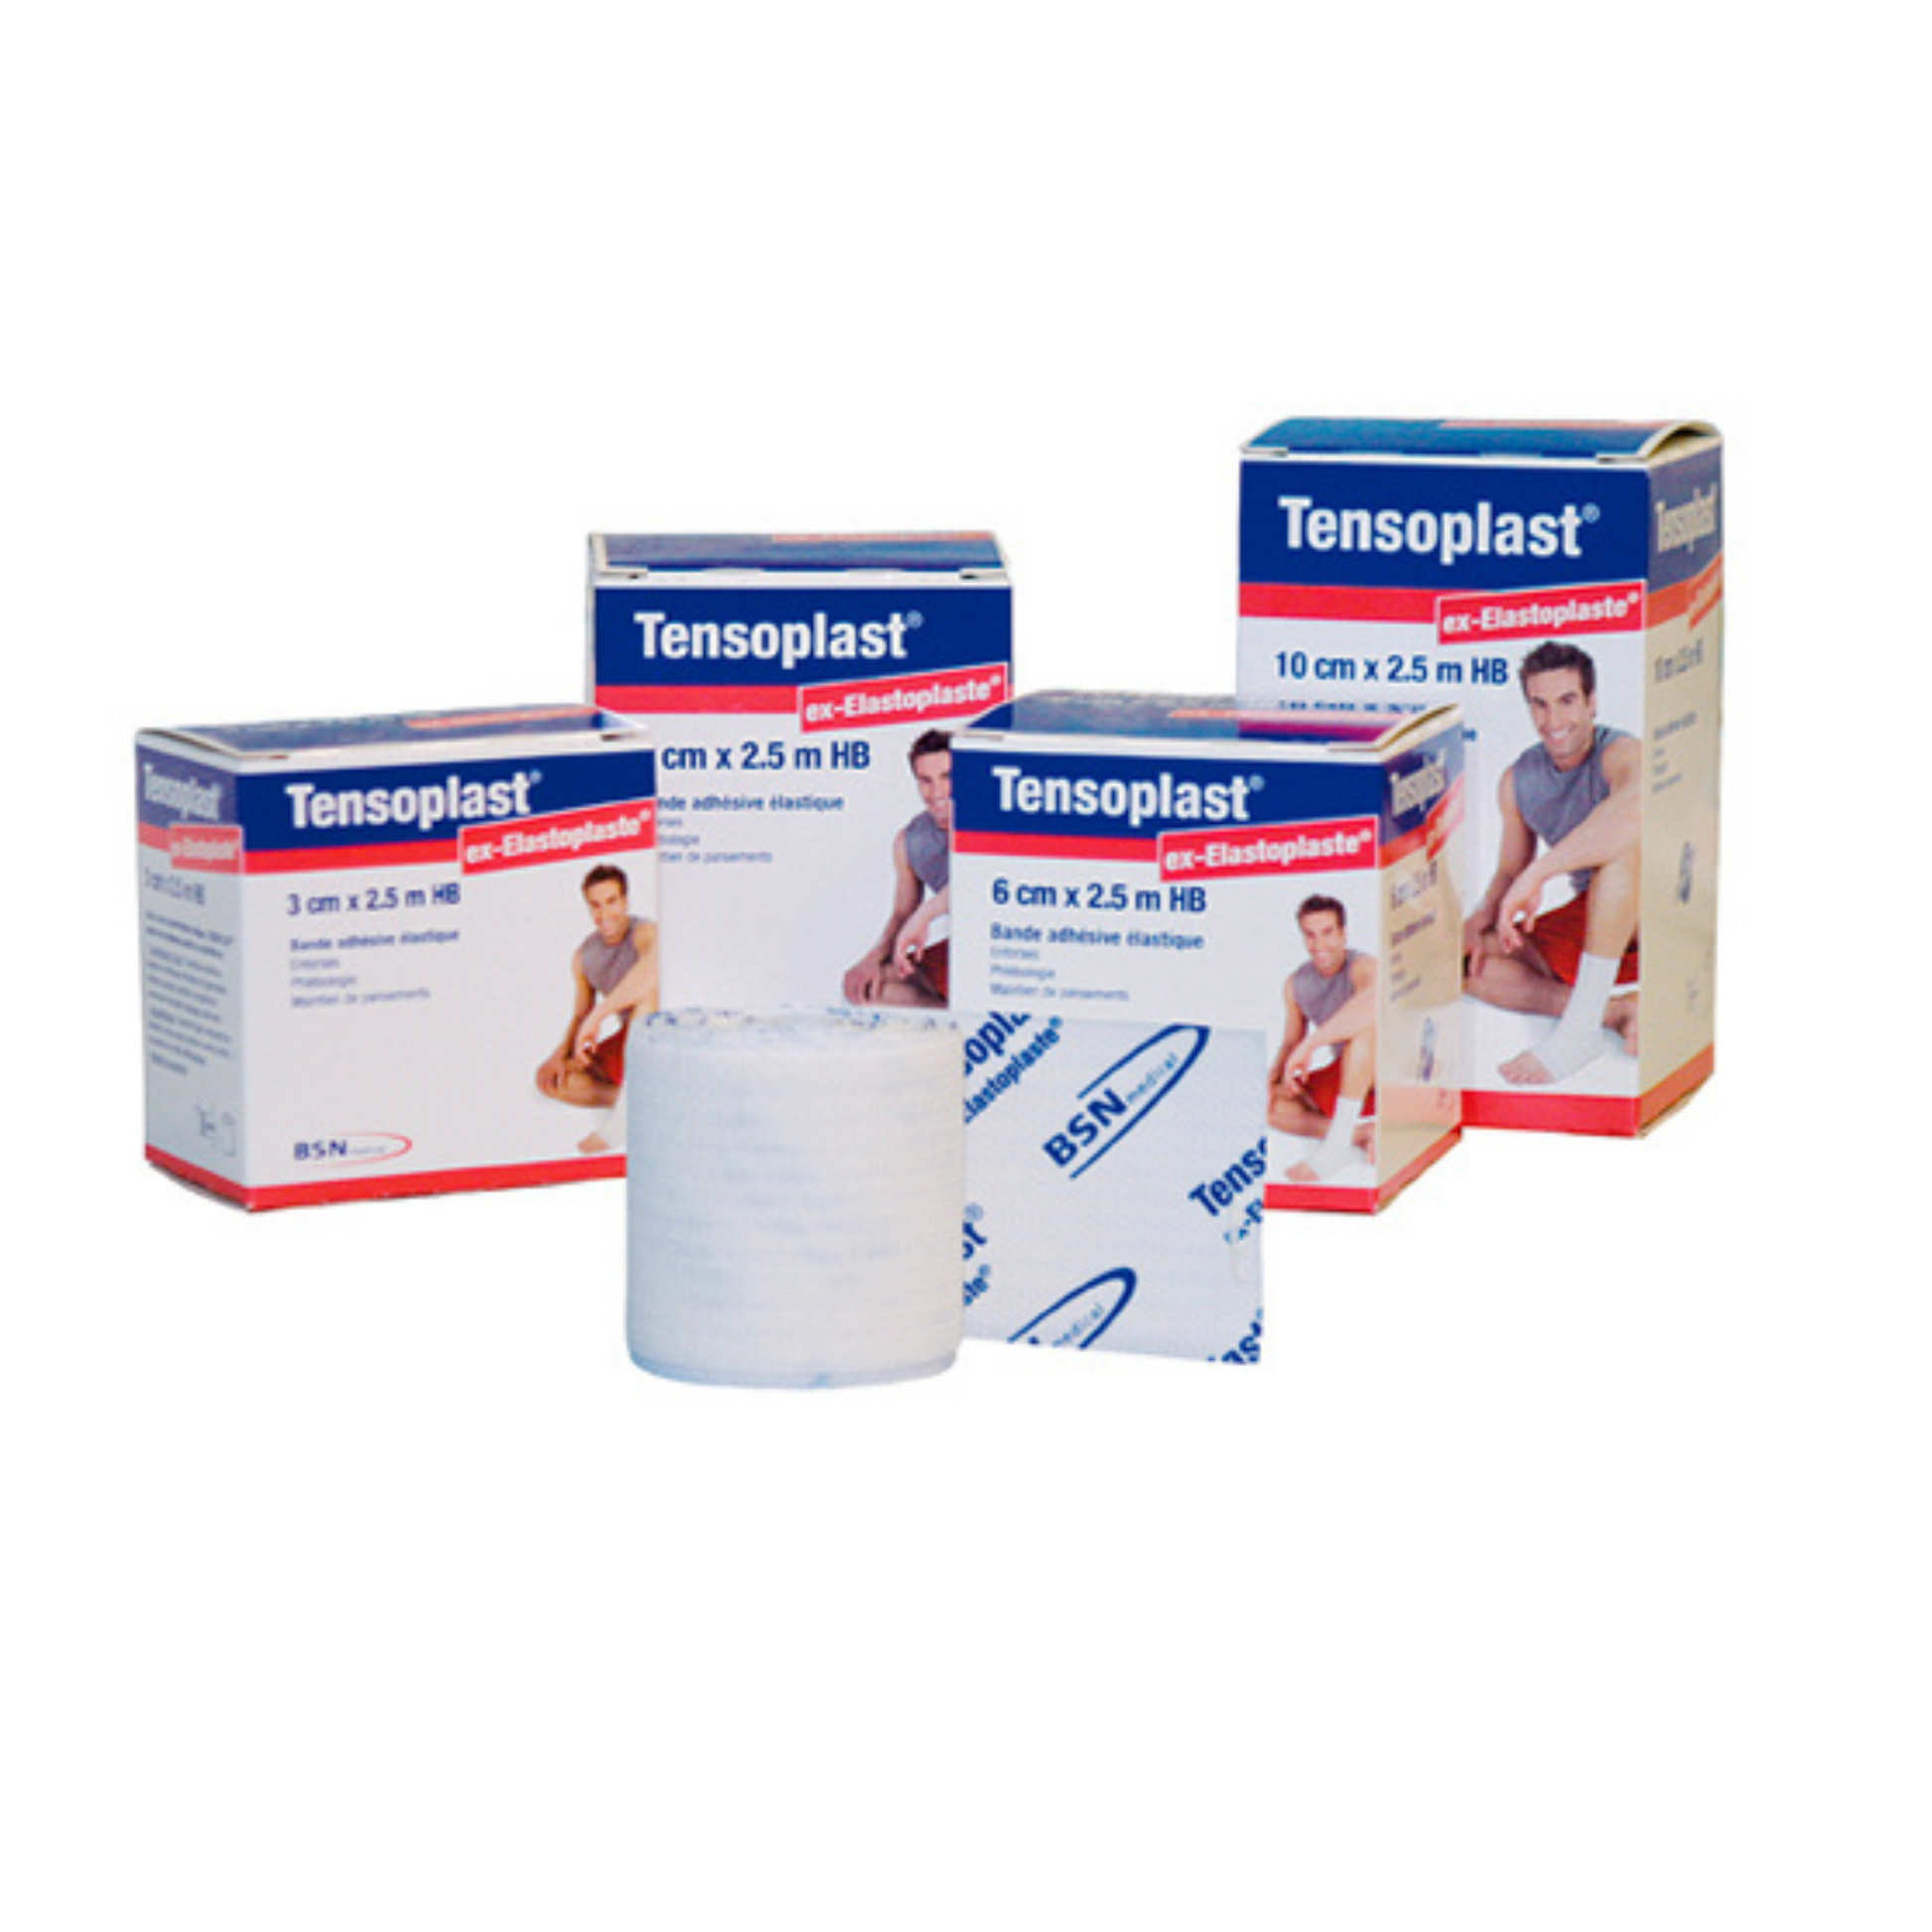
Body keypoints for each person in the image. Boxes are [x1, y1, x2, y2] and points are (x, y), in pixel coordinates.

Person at [1463, 641, 1640, 1085]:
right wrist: (1479, 920)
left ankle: (1577, 1031)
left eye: (1566, 700)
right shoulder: (1517, 779)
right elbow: (1510, 870)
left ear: (1592, 701)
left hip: (1650, 909)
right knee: (1468, 965)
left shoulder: (1622, 752)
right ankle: (1611, 1012)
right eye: (1539, 704)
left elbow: (1636, 809)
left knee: (1622, 852)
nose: (1553, 719)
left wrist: (1540, 873)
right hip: (1596, 920)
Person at [535, 863, 659, 1153]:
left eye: (611, 901)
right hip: (631, 1046)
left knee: (648, 993)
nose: (604, 914)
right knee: (553, 1080)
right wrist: (558, 1056)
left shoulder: (645, 932)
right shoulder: (584, 956)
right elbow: (581, 1013)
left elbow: (651, 972)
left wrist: (600, 1015)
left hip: (661, 1036)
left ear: (626, 901)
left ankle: (621, 1121)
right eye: (595, 905)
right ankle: (638, 1101)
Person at [1268, 895, 1377, 1182]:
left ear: (1343, 934)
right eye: (1310, 935)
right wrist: (1270, 1083)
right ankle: (1358, 1134)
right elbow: (1290, 1042)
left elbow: (1372, 1003)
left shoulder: (1364, 966)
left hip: (1389, 1069)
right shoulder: (1296, 984)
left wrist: (1311, 1045)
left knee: (1364, 1030)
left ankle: (1336, 1146)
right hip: (1352, 1077)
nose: (1319, 944)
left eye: (1328, 932)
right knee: (1270, 1106)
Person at [843, 728, 952, 1009]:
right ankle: (952, 1021)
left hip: (1008, 947)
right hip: (961, 949)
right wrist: (870, 961)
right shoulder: (909, 841)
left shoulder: (995, 823)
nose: (937, 792)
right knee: (872, 987)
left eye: (948, 777)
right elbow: (903, 913)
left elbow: (978, 882)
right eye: (925, 781)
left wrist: (925, 915)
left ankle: (967, 1024)